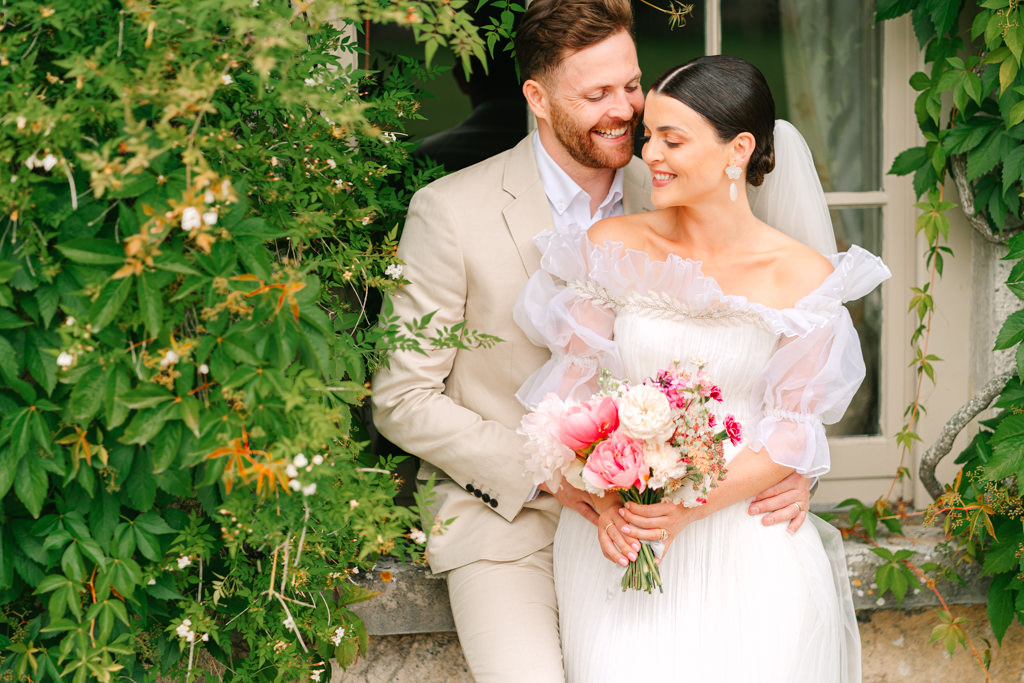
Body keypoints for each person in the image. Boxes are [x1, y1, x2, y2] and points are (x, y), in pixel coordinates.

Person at [371, 2, 812, 680]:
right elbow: (402, 397)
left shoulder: (678, 184)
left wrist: (792, 466)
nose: (625, 110)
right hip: (511, 520)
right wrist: (554, 474)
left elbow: (773, 328)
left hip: (661, 523)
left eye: (632, 85)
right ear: (538, 98)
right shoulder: (449, 213)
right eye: (597, 94)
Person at [514, 55, 888, 682]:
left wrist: (686, 510)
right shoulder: (613, 251)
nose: (649, 154)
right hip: (624, 536)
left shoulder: (803, 278)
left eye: (672, 139)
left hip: (745, 534)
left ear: (737, 149)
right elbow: (568, 404)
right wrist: (610, 499)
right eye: (649, 134)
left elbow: (793, 428)